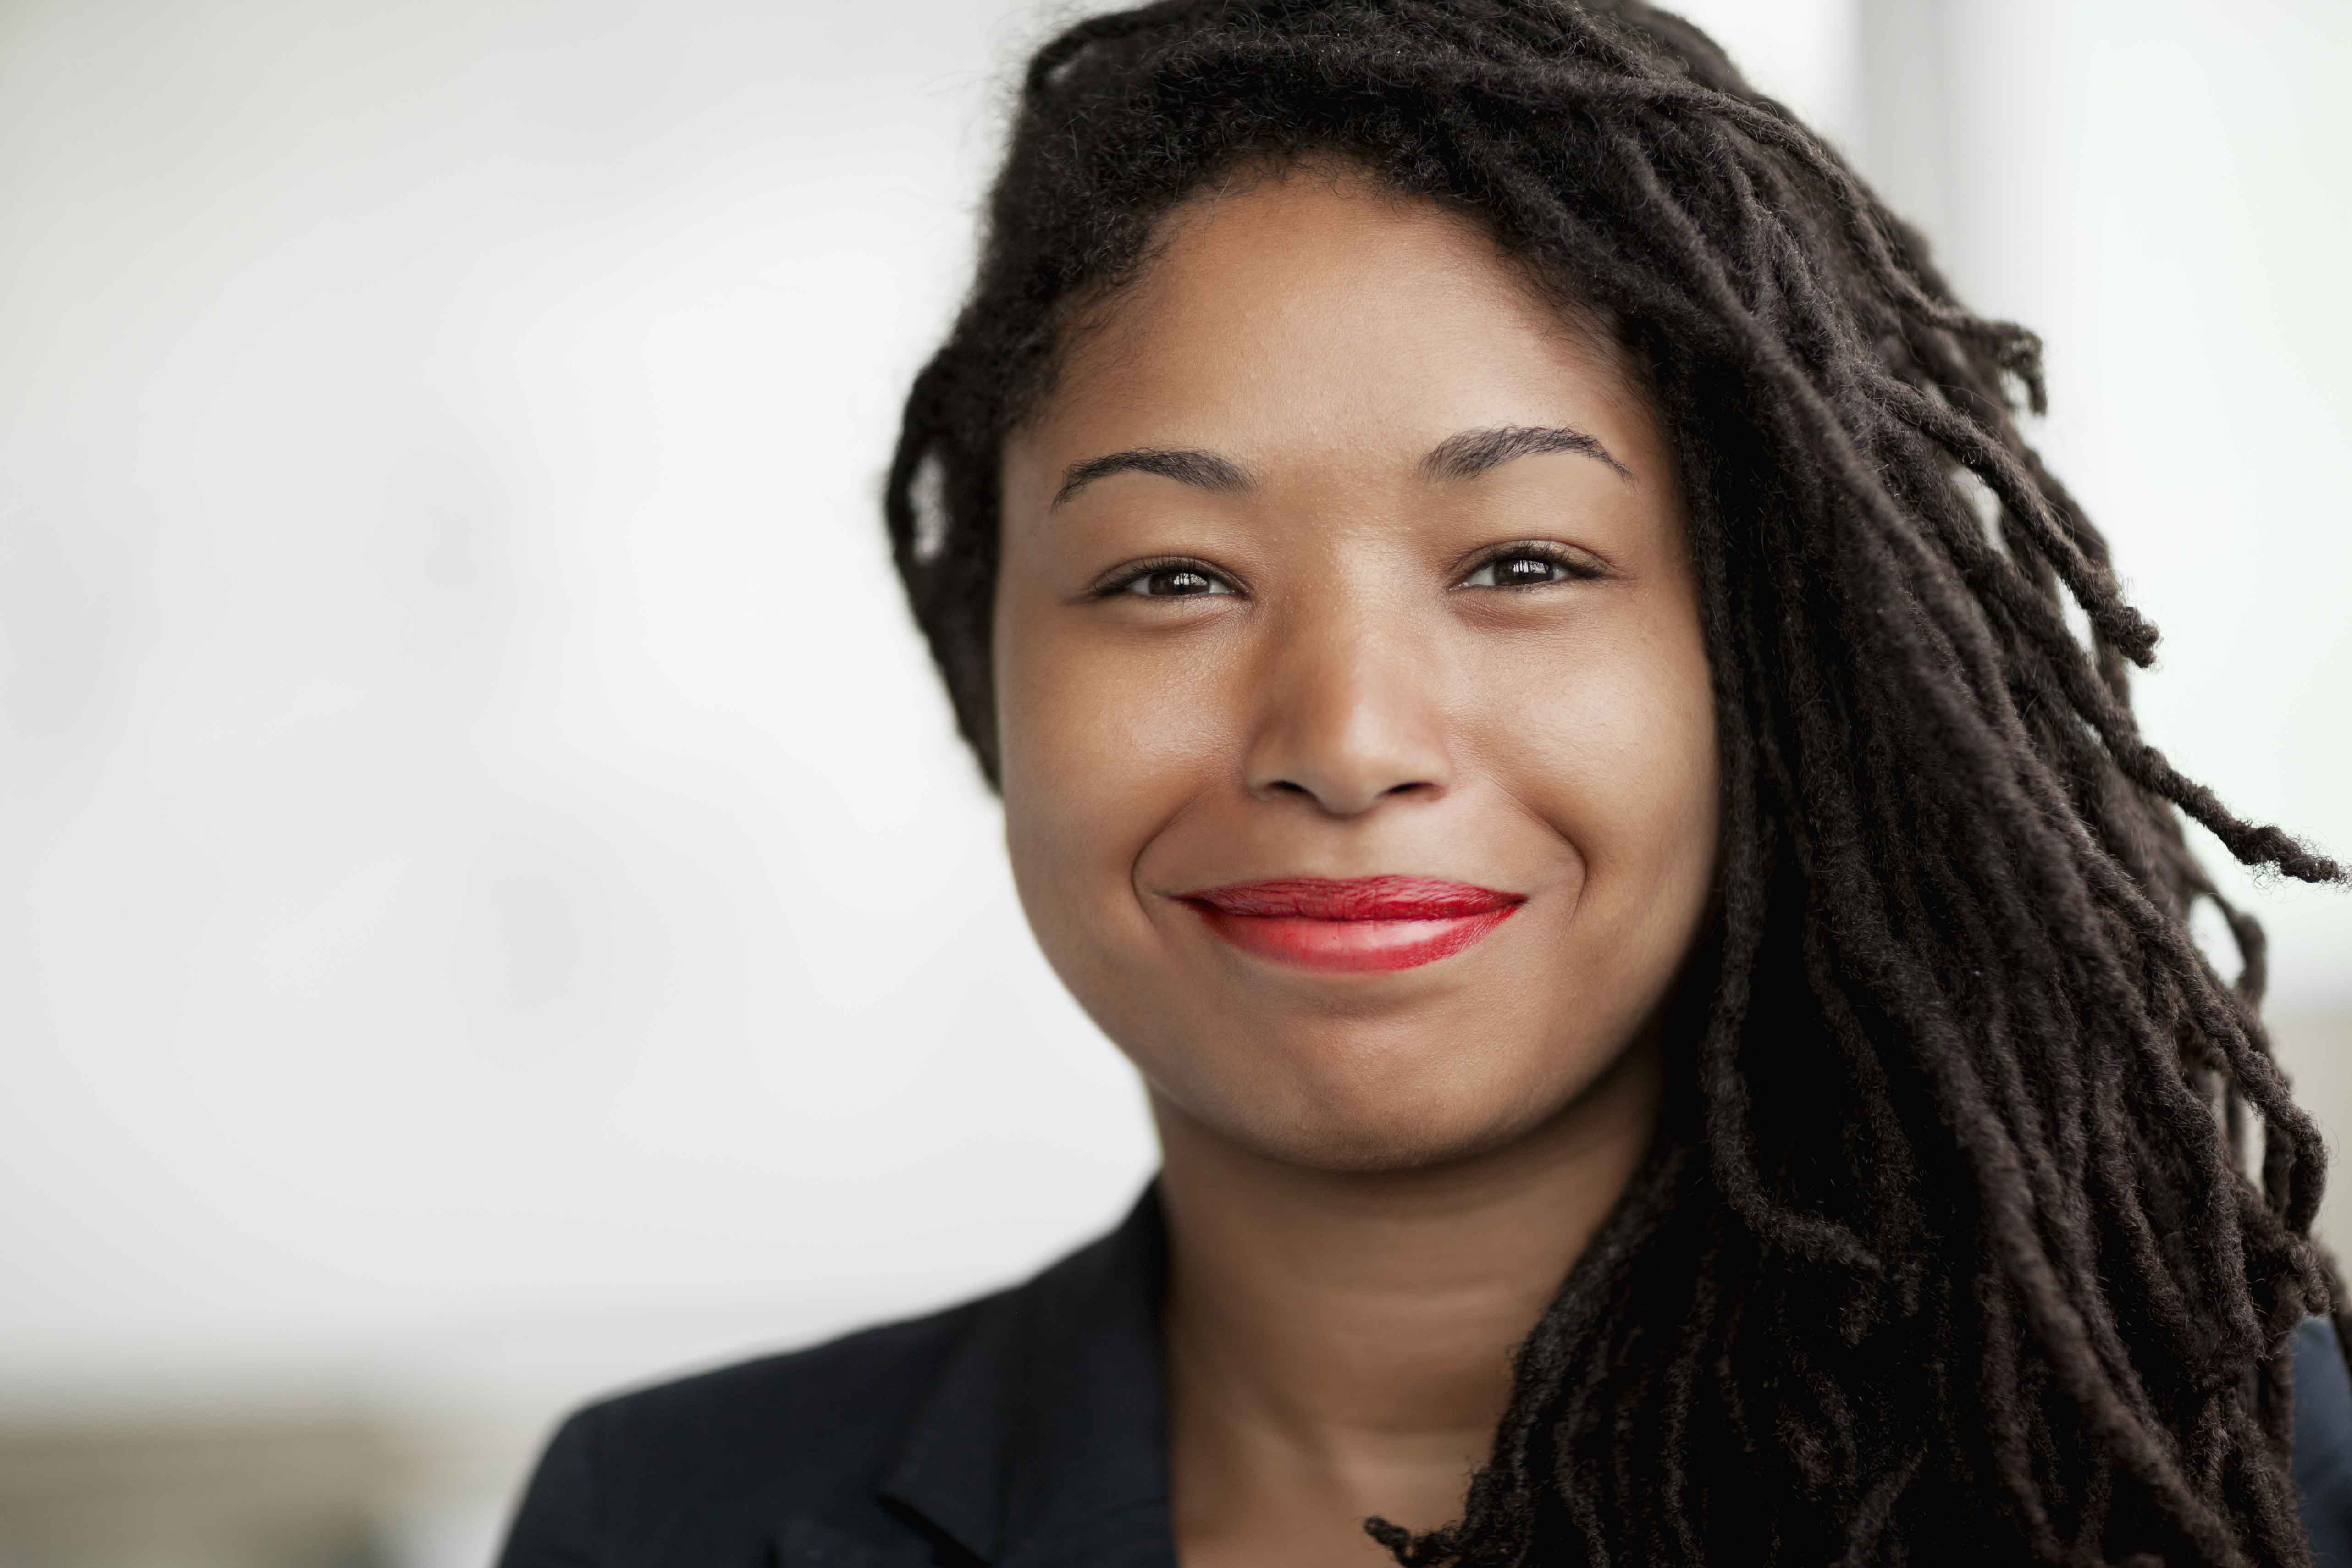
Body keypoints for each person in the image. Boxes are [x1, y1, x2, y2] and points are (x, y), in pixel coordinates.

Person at [493, 2, 2352, 1563]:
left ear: (1777, 663)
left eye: (1521, 563)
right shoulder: (662, 1519)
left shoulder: (2232, 1481)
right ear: (987, 657)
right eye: (1167, 578)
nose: (1346, 738)